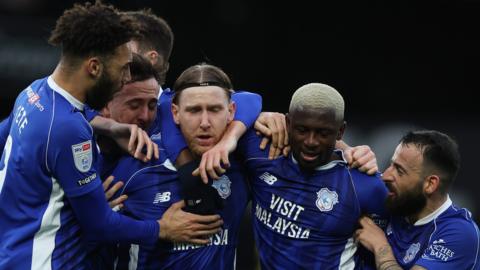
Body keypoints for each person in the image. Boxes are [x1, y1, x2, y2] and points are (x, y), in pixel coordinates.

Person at [0, 3, 222, 269]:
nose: (126, 78)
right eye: (123, 68)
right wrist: (161, 229)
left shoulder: (32, 94)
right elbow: (100, 225)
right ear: (94, 68)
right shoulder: (69, 129)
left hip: (13, 253)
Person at [202, 82, 389, 269]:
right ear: (288, 123)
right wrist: (256, 119)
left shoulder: (365, 186)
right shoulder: (260, 151)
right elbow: (225, 101)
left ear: (340, 131)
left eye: (323, 133)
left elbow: (402, 240)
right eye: (302, 130)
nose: (311, 142)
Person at [108, 63, 253, 269]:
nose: (204, 122)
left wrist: (271, 118)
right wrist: (158, 229)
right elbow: (95, 228)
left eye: (214, 110)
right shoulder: (137, 164)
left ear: (231, 112)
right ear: (175, 113)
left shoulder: (246, 160)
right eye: (194, 111)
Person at [355, 130, 480, 269]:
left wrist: (380, 246)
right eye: (391, 165)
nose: (385, 176)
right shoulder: (395, 200)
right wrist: (350, 152)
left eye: (399, 170)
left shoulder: (459, 234)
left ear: (430, 184)